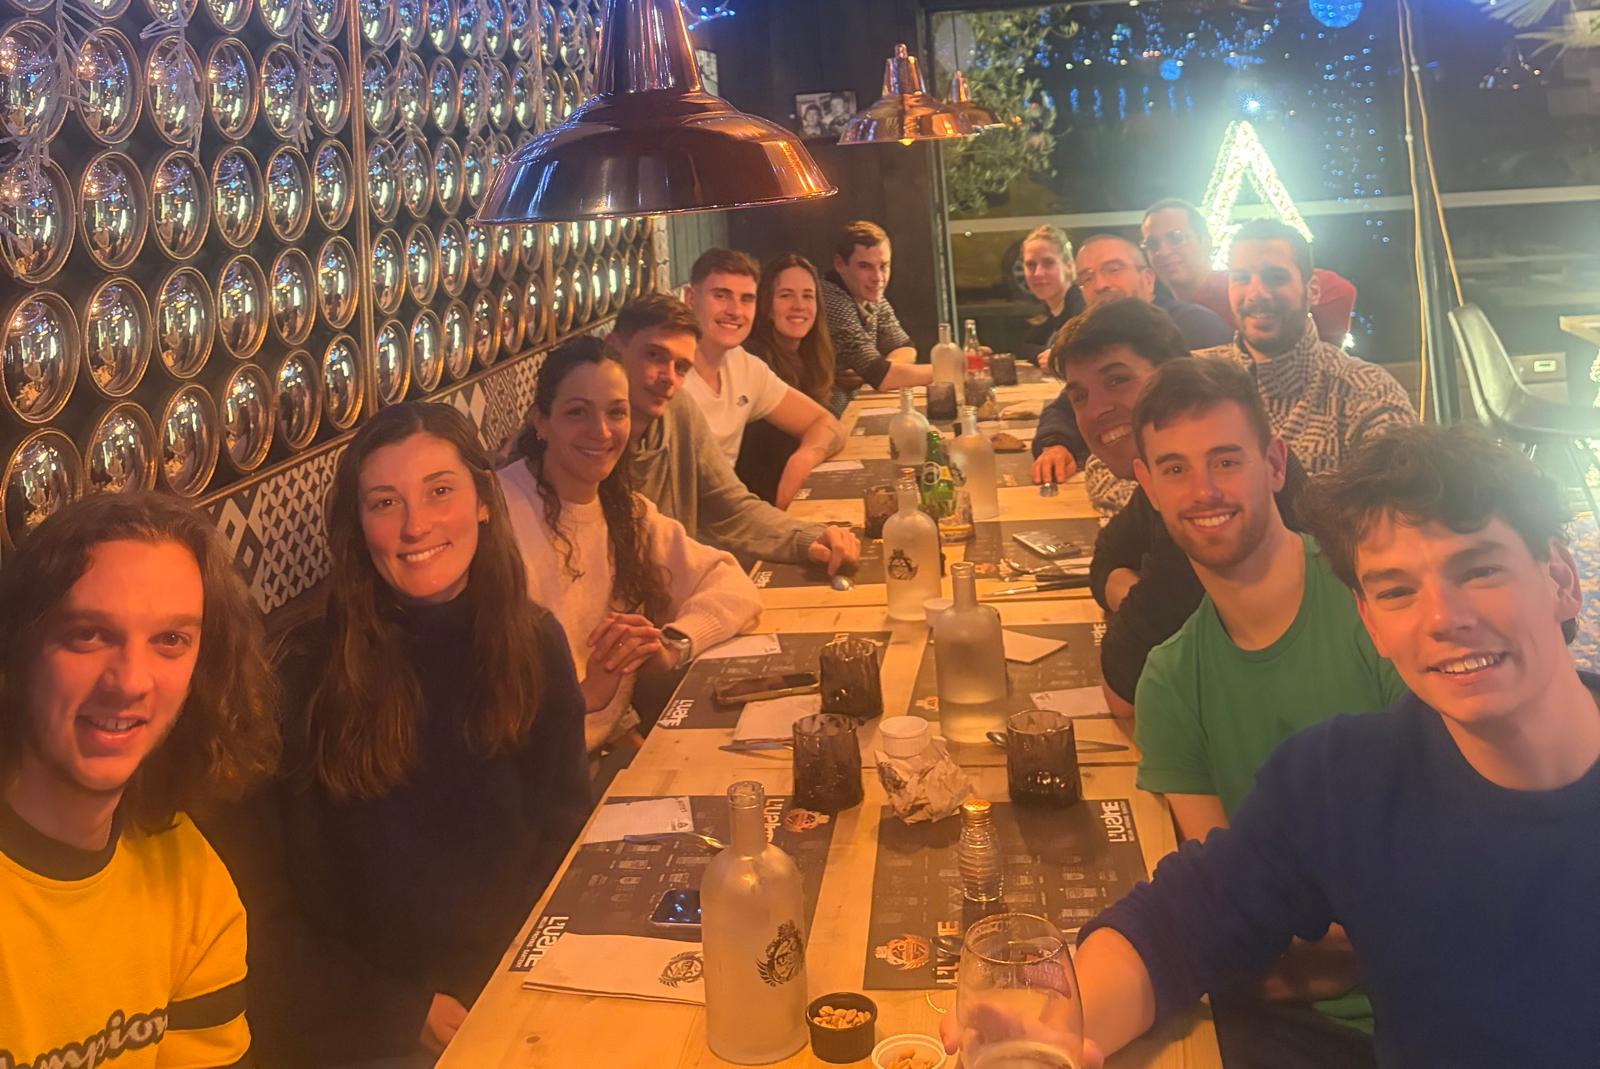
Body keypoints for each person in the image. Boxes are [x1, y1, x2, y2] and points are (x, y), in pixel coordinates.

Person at [950, 424, 1600, 1066]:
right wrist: (1057, 1032)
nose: (1443, 619)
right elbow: (1174, 926)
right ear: (1370, 622)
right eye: (1398, 591)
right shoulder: (1346, 779)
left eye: (1480, 570)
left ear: (1562, 580)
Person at [204, 402, 591, 1067]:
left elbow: (565, 834)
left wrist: (525, 976)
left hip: (511, 993)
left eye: (440, 491)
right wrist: (403, 1013)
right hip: (357, 1032)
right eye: (385, 502)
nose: (416, 525)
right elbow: (253, 909)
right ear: (358, 525)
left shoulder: (534, 643)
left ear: (483, 502)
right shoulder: (298, 671)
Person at [1130, 358, 1401, 1060]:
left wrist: (1355, 944)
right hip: (1282, 1027)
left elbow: (1450, 880)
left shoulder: (1379, 603)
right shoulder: (1170, 681)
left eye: (1226, 460)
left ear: (1275, 465)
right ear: (1148, 487)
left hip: (1440, 1007)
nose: (1205, 491)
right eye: (1176, 469)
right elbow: (1237, 915)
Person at [0, 492, 278, 1069]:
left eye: (170, 641)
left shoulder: (193, 882)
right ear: (18, 652)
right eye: (88, 634)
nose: (130, 681)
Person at [499, 336, 763, 760]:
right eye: (577, 412)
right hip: (530, 765)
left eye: (616, 412)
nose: (602, 431)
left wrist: (674, 646)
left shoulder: (626, 512)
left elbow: (733, 586)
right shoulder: (497, 512)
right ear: (540, 422)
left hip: (601, 750)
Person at [1049, 300, 1306, 718]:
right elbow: (1108, 554)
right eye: (1080, 397)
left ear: (1171, 376)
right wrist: (1135, 596)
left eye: (1117, 380)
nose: (1096, 410)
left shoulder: (1213, 504)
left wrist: (1140, 605)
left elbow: (1125, 690)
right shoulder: (1167, 479)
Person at [616, 292, 860, 574]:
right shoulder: (591, 438)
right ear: (614, 347)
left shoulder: (679, 407)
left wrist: (809, 537)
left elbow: (732, 509)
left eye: (681, 367)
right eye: (654, 356)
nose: (668, 377)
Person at [1194, 218, 1414, 475]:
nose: (1256, 293)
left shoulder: (1367, 393)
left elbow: (1405, 494)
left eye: (1275, 278)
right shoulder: (1191, 380)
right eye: (1241, 278)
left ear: (1313, 290)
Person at [1031, 234, 1230, 507]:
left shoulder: (1194, 327)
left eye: (1113, 269)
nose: (1100, 285)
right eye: (1087, 277)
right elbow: (1064, 406)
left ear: (1148, 278)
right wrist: (1056, 442)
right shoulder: (1095, 341)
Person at [679, 248, 844, 506]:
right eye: (721, 296)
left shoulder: (744, 366)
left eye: (746, 299)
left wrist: (803, 459)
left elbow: (827, 423)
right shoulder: (668, 373)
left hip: (731, 515)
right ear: (690, 299)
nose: (735, 311)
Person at [1141, 198, 1358, 344]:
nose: (1163, 251)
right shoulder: (1165, 313)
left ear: (1205, 241)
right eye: (1152, 244)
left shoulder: (1242, 285)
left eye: (1177, 238)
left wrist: (1321, 355)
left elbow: (1340, 291)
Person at [739, 253, 839, 504]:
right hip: (763, 506)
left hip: (800, 495)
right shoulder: (754, 358)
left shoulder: (810, 357)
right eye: (786, 295)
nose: (799, 305)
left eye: (807, 296)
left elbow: (831, 427)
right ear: (766, 306)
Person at [821, 219, 932, 411]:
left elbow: (905, 348)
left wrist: (876, 370)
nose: (878, 278)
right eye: (865, 266)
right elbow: (883, 379)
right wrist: (953, 369)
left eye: (883, 266)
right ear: (840, 264)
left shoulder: (871, 296)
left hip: (855, 408)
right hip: (826, 414)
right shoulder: (830, 299)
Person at [1016, 223, 1086, 368]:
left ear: (1069, 266)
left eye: (1048, 263)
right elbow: (1024, 348)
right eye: (1031, 265)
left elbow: (1087, 352)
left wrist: (1058, 356)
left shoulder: (1083, 307)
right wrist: (1048, 354)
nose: (1038, 273)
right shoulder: (1051, 311)